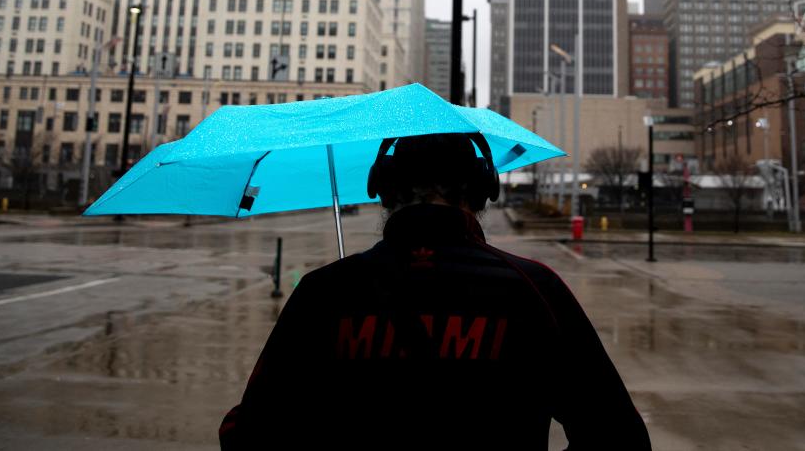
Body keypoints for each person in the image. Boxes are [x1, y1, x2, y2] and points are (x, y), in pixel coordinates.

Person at [220, 132, 650, 450]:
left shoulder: (325, 291)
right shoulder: (535, 288)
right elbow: (619, 439)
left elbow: (249, 437)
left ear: (383, 190)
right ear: (484, 190)